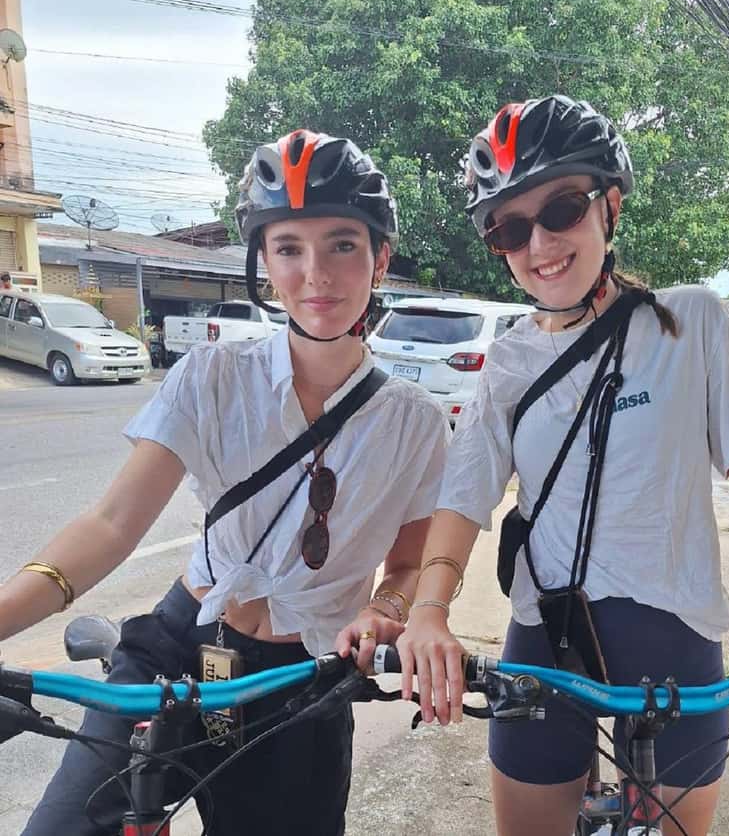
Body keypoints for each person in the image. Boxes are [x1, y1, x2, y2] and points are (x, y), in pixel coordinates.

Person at [396, 95, 729, 836]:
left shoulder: (690, 320)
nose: (539, 244)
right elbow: (465, 497)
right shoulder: (506, 358)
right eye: (509, 227)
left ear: (611, 206)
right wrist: (429, 615)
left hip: (674, 636)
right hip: (547, 633)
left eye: (562, 208)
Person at [1, 128, 449, 836]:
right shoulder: (213, 377)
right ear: (263, 261)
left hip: (302, 683)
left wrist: (387, 610)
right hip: (186, 650)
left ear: (380, 256)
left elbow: (410, 563)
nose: (316, 274)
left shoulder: (415, 422)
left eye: (342, 244)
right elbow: (112, 525)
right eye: (288, 248)